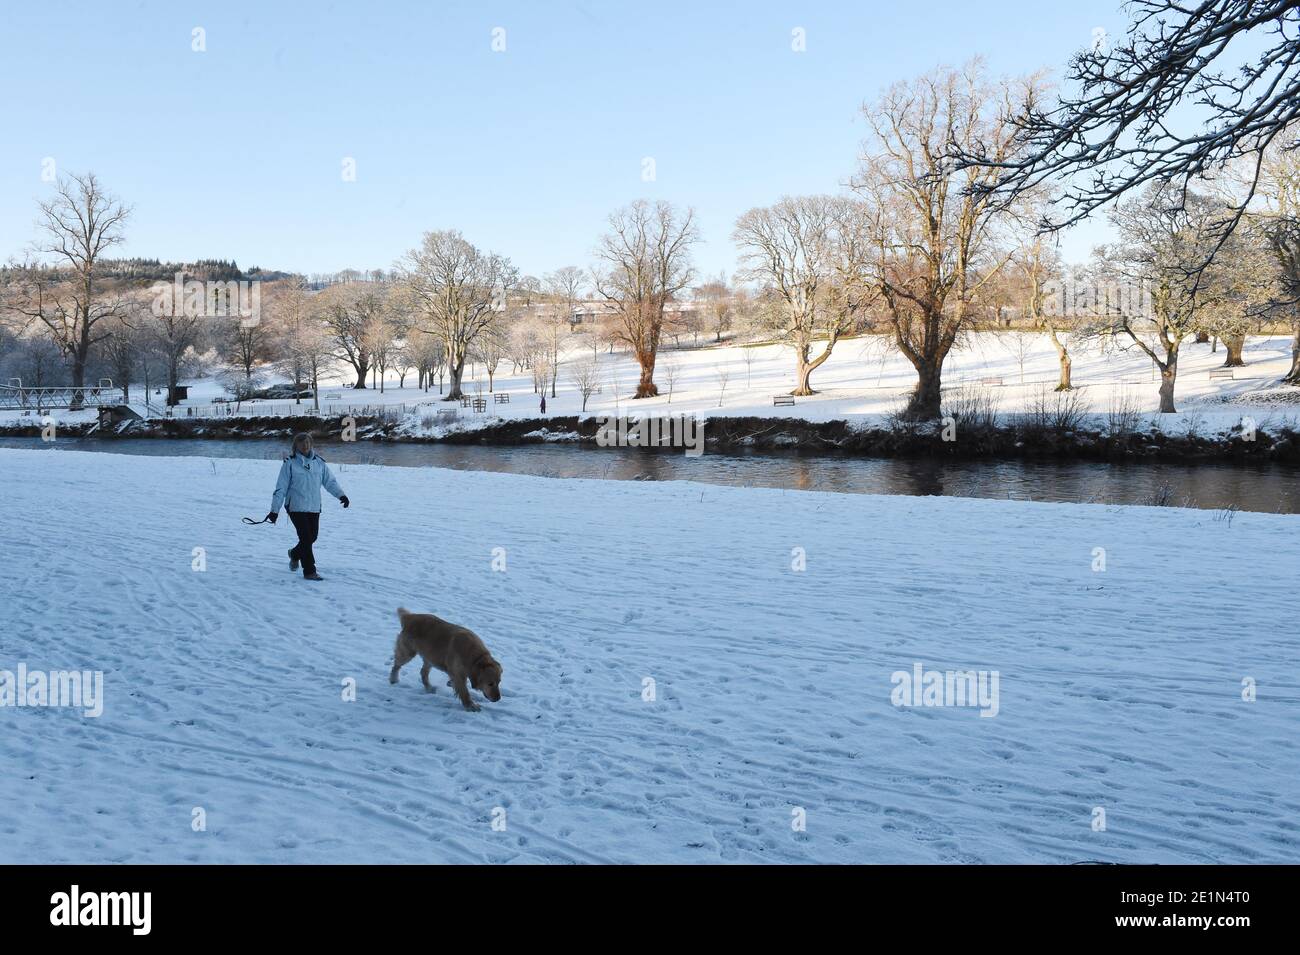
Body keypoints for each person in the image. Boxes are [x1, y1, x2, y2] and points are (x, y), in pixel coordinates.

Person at [265, 433, 349, 581]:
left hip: (314, 506)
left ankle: (295, 554)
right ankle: (310, 571)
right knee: (305, 537)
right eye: (302, 443)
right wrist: (274, 511)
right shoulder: (289, 463)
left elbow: (330, 482)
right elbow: (281, 488)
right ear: (295, 446)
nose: (305, 446)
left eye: (308, 443)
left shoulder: (319, 463)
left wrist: (341, 495)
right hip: (295, 506)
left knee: (312, 537)